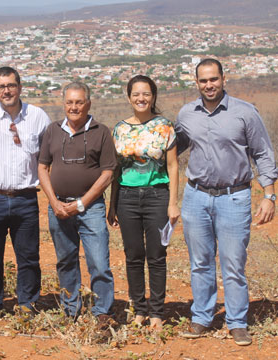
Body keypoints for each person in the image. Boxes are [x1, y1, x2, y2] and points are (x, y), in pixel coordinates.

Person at [176, 58, 278, 346]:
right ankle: (202, 317)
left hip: (234, 196)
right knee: (200, 262)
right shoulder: (186, 114)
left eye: (214, 79)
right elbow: (173, 149)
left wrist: (268, 194)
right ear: (196, 83)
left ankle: (236, 322)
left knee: (233, 263)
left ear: (224, 79)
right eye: (203, 80)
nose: (209, 85)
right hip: (195, 196)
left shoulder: (245, 113)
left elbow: (262, 154)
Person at [0, 66, 51, 324]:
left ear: (20, 87)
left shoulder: (38, 116)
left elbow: (48, 156)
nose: (6, 90)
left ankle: (27, 303)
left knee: (29, 256)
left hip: (25, 198)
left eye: (10, 85)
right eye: (0, 86)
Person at [38, 82, 117, 322]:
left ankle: (102, 311)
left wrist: (81, 203)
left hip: (90, 210)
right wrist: (54, 202)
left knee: (99, 262)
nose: (74, 107)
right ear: (63, 104)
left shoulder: (101, 131)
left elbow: (108, 173)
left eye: (79, 102)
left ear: (88, 104)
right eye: (69, 102)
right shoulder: (52, 130)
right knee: (66, 261)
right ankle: (70, 309)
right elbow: (42, 167)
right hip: (59, 208)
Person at [107, 75, 179, 331]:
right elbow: (115, 170)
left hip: (157, 196)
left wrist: (173, 202)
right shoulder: (119, 129)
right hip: (127, 197)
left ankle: (157, 312)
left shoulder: (164, 126)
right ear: (129, 98)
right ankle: (139, 309)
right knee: (133, 255)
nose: (141, 98)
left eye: (146, 94)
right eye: (136, 94)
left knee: (157, 255)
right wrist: (112, 204)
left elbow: (172, 165)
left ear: (153, 96)